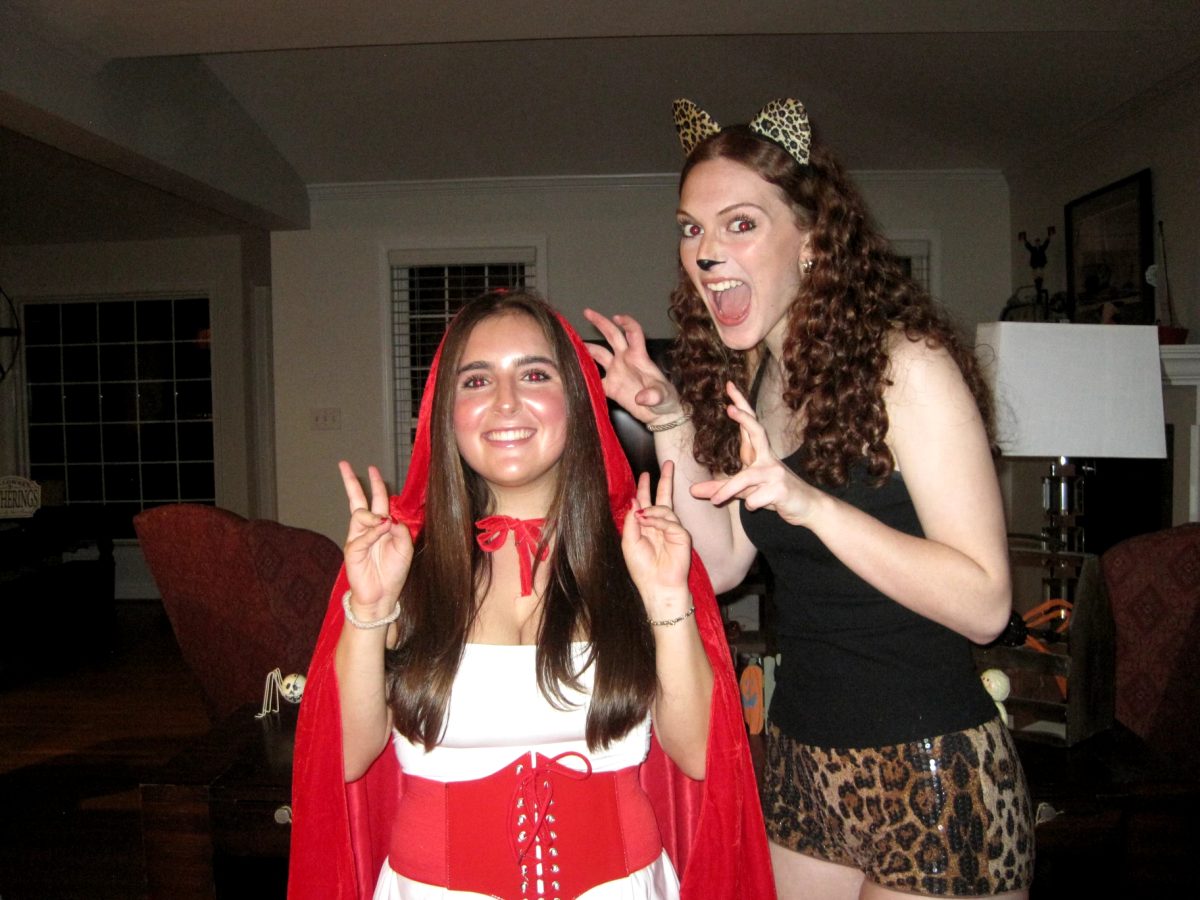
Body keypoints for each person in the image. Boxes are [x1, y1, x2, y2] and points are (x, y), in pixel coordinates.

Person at [585, 98, 1035, 899]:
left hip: (930, 774)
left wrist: (814, 505)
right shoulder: (760, 379)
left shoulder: (909, 366)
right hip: (801, 764)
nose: (707, 253)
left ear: (815, 242)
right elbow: (720, 564)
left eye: (740, 225)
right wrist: (668, 420)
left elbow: (986, 604)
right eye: (691, 229)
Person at [288, 290, 776, 900]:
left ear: (578, 400)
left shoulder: (642, 552)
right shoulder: (397, 560)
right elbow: (344, 763)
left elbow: (705, 759)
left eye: (534, 374)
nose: (505, 402)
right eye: (476, 381)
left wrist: (667, 599)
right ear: (446, 411)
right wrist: (367, 609)